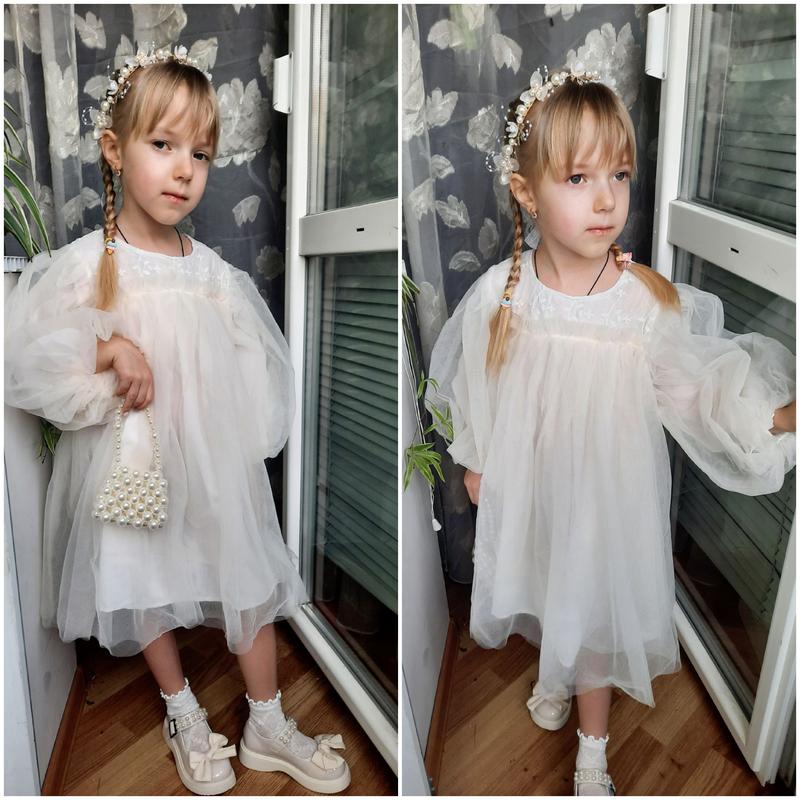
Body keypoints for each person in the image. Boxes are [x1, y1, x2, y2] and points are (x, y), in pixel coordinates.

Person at [424, 64, 796, 796]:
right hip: (538, 485)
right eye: (579, 178)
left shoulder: (641, 302)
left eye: (619, 175)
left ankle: (592, 753)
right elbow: (476, 381)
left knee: (591, 603)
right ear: (526, 192)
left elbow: (694, 392)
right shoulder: (505, 296)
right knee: (548, 579)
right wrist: (478, 458)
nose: (606, 199)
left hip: (607, 492)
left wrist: (775, 418)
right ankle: (553, 672)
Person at [5, 45, 350, 796]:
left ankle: (267, 721)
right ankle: (182, 709)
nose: (184, 169)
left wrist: (239, 442)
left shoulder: (211, 272)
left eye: (199, 153)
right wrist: (108, 347)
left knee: (245, 571)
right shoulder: (86, 263)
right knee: (145, 574)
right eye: (162, 144)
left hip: (210, 458)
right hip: (132, 459)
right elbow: (30, 360)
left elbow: (252, 364)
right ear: (114, 150)